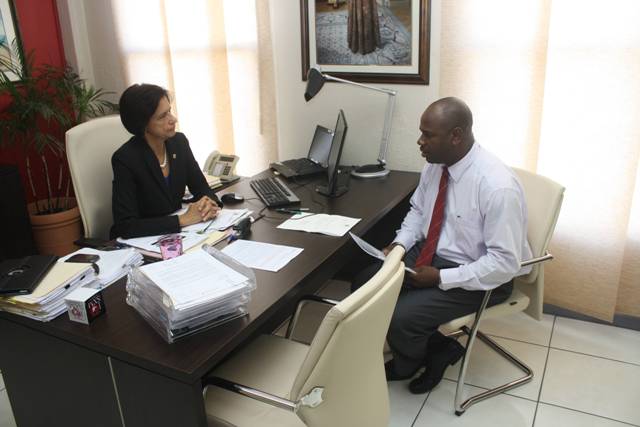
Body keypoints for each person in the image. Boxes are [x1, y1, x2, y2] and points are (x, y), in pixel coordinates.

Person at [352, 97, 532, 394]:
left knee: (402, 316)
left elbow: (504, 263)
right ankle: (440, 348)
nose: (420, 142)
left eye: (428, 135)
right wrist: (398, 246)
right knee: (365, 284)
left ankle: (409, 362)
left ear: (456, 136)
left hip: (482, 275)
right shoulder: (436, 166)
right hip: (432, 254)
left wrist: (440, 277)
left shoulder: (497, 186)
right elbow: (418, 212)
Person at [110, 83, 222, 239]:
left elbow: (201, 188)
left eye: (169, 111)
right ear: (143, 124)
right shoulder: (126, 159)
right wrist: (182, 220)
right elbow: (125, 225)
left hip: (180, 237)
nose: (173, 119)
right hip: (145, 242)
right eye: (162, 116)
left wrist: (209, 204)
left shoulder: (179, 143)